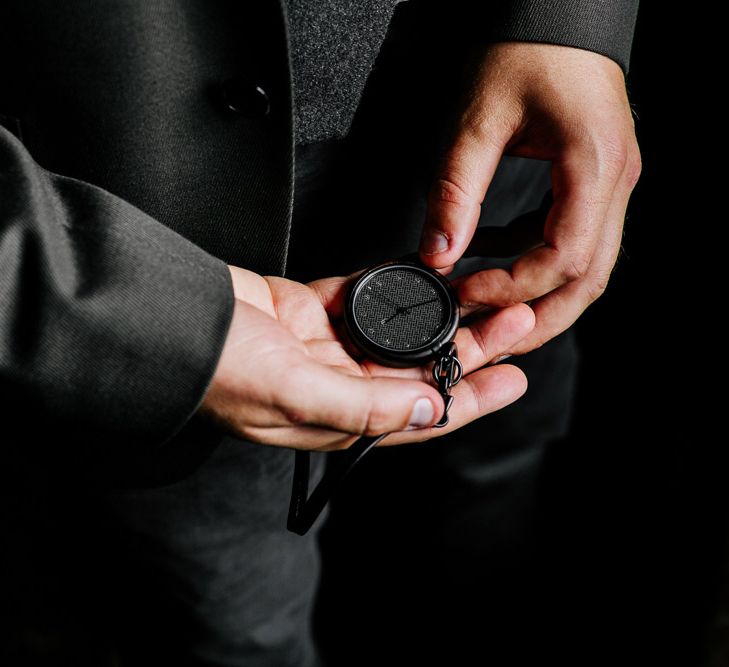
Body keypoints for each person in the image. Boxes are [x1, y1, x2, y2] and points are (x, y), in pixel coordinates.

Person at [0, 1, 640, 665]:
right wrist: (108, 294)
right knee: (236, 613)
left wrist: (567, 24)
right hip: (142, 235)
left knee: (491, 485)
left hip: (487, 138)